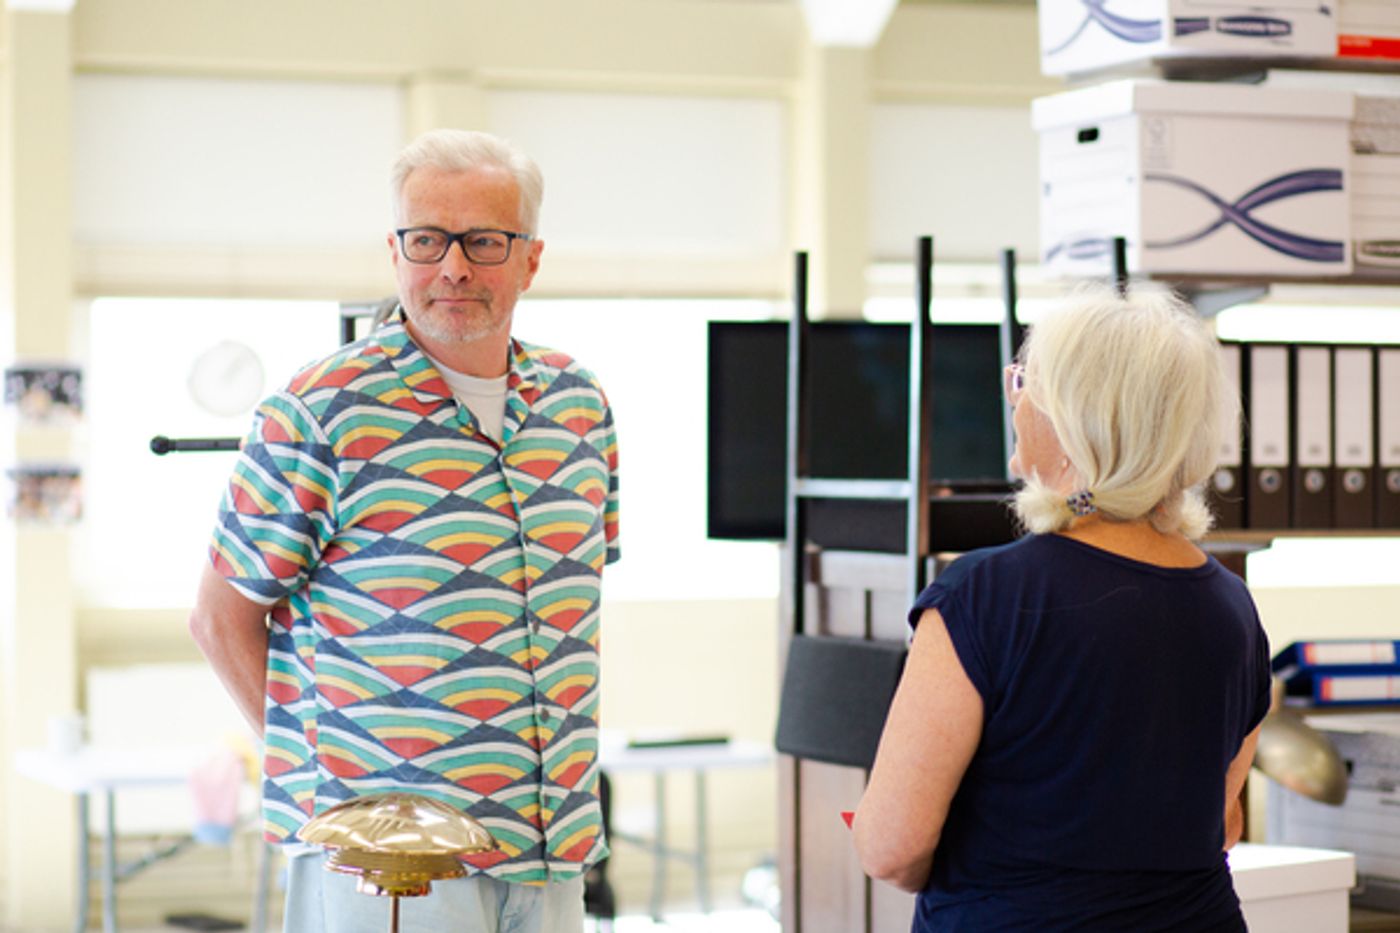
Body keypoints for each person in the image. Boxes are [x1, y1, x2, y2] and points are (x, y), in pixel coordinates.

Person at [188, 128, 620, 933]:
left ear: (530, 259)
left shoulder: (580, 406)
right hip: (387, 871)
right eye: (427, 240)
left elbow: (562, 618)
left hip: (554, 849)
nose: (452, 266)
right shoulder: (320, 410)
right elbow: (221, 619)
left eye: (484, 241)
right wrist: (341, 795)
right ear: (395, 252)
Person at [852, 286, 1269, 931]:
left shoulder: (983, 596)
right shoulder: (1232, 607)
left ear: (1073, 421)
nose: (1014, 400)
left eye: (1023, 383)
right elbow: (1221, 822)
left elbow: (891, 847)